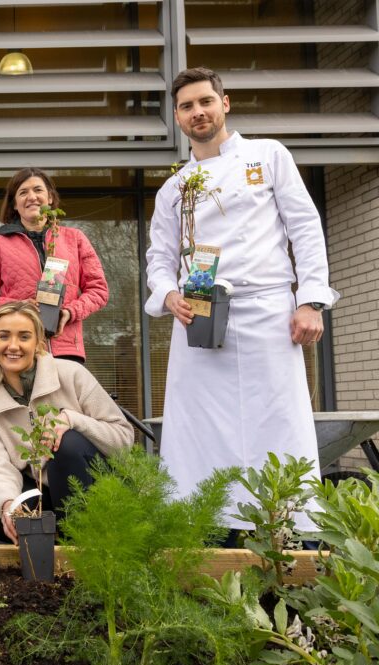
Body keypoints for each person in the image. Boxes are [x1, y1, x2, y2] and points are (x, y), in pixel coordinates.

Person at [145, 67, 339, 531]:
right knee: (196, 429)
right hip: (199, 315)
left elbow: (305, 227)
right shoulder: (174, 187)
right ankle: (201, 527)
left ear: (224, 103)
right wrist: (169, 294)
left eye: (205, 102)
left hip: (269, 310)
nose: (198, 112)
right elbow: (158, 256)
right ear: (177, 116)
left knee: (279, 421)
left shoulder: (268, 156)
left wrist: (311, 299)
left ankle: (293, 530)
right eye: (187, 106)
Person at [0, 302, 133, 544]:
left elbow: (123, 438)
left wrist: (72, 420)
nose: (13, 346)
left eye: (24, 337)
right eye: (4, 336)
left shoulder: (71, 374)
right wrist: (7, 505)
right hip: (44, 492)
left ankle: (81, 546)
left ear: (38, 344)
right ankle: (46, 560)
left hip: (96, 488)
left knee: (66, 445)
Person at [0, 169, 109, 363]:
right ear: (15, 204)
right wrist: (17, 306)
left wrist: (69, 312)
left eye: (38, 190)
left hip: (66, 349)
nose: (32, 197)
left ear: (50, 197)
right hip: (19, 350)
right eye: (23, 192)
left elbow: (98, 290)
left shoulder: (74, 239)